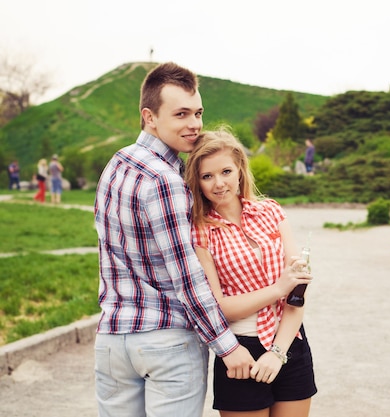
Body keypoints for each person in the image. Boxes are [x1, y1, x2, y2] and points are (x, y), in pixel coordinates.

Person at [93, 62, 255, 417]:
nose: (194, 124)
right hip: (166, 341)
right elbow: (186, 275)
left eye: (198, 112)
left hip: (112, 340)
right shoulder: (164, 179)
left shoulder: (116, 164)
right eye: (181, 114)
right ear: (149, 117)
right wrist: (228, 347)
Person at [185, 127, 317, 417]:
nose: (219, 184)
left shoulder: (271, 211)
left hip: (290, 343)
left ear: (240, 170)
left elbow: (297, 292)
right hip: (240, 352)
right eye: (207, 176)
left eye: (226, 171)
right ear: (197, 181)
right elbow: (219, 308)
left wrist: (278, 353)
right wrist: (276, 289)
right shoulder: (200, 233)